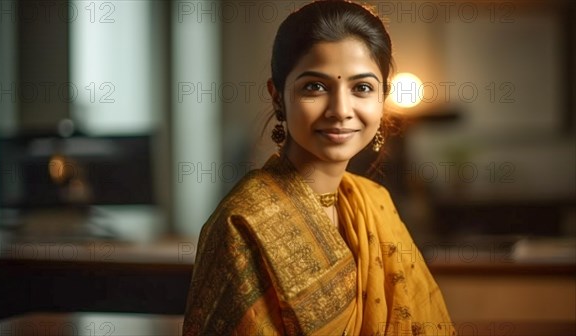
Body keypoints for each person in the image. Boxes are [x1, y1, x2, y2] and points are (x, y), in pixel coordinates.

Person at [183, 1, 455, 335]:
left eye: (362, 88)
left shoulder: (374, 201)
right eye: (315, 86)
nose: (341, 110)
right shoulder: (242, 224)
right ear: (278, 96)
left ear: (383, 97)